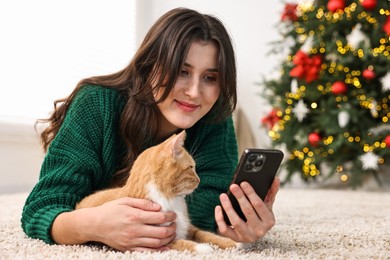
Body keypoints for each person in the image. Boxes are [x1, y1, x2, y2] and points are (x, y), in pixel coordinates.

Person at [21, 7, 279, 252]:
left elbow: (206, 205)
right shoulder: (95, 104)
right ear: (148, 67)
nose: (194, 93)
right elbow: (43, 207)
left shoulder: (214, 115)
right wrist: (92, 224)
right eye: (181, 71)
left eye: (210, 78)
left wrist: (236, 220)